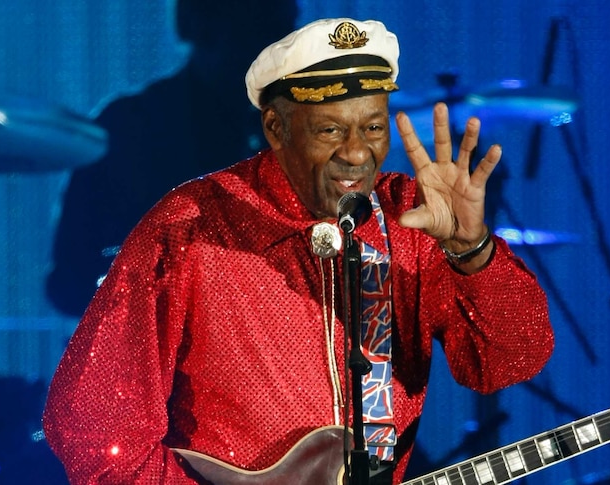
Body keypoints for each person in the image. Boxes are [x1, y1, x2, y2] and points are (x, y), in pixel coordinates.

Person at [43, 17, 554, 485]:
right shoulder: (191, 229)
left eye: (373, 128)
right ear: (276, 129)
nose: (357, 152)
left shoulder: (409, 218)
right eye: (330, 129)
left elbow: (509, 362)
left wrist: (473, 251)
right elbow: (92, 428)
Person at [45, 0, 299, 316]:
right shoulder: (129, 130)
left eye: (284, 30)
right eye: (266, 28)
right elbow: (71, 283)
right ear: (203, 27)